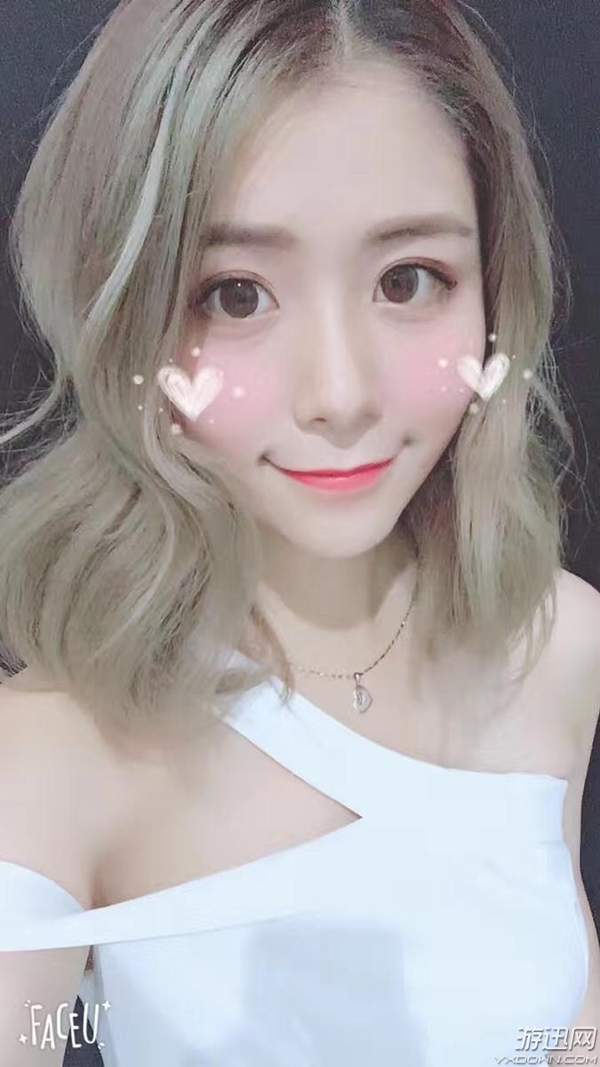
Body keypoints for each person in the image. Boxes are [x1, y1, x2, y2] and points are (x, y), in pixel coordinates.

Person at [0, 0, 598, 1064]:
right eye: (235, 296)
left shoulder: (558, 644)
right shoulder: (58, 749)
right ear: (123, 315)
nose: (340, 394)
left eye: (408, 280)